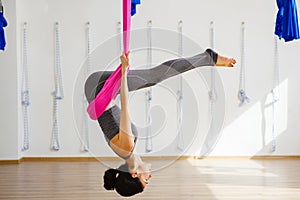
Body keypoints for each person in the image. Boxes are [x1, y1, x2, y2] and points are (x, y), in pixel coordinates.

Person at [84, 49, 236, 197]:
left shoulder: (126, 147)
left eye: (145, 180)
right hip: (99, 93)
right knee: (152, 78)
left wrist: (124, 71)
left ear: (134, 173)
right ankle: (207, 58)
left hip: (97, 88)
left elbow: (125, 105)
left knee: (153, 77)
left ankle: (208, 58)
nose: (149, 177)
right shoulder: (126, 151)